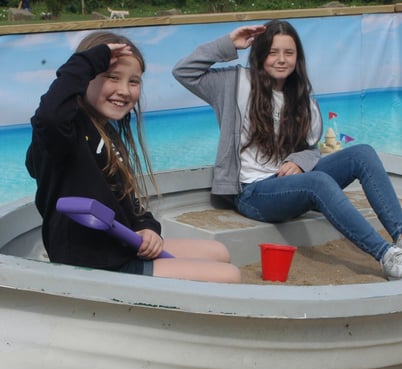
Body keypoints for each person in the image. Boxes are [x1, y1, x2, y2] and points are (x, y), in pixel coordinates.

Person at [172, 20, 402, 280]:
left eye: (289, 53)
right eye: (272, 52)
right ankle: (387, 256)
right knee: (318, 181)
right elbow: (183, 71)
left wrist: (298, 160)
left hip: (291, 184)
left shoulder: (302, 96)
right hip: (253, 192)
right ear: (259, 54)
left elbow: (310, 147)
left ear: (298, 58)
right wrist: (228, 43)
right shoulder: (232, 83)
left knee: (362, 153)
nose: (281, 60)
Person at [26, 31, 241, 283]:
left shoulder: (107, 134)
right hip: (96, 265)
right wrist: (88, 60)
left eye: (133, 82)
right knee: (230, 277)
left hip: (122, 248)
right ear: (85, 78)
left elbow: (128, 205)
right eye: (112, 77)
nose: (124, 91)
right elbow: (49, 116)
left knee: (219, 252)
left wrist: (148, 229)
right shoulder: (65, 136)